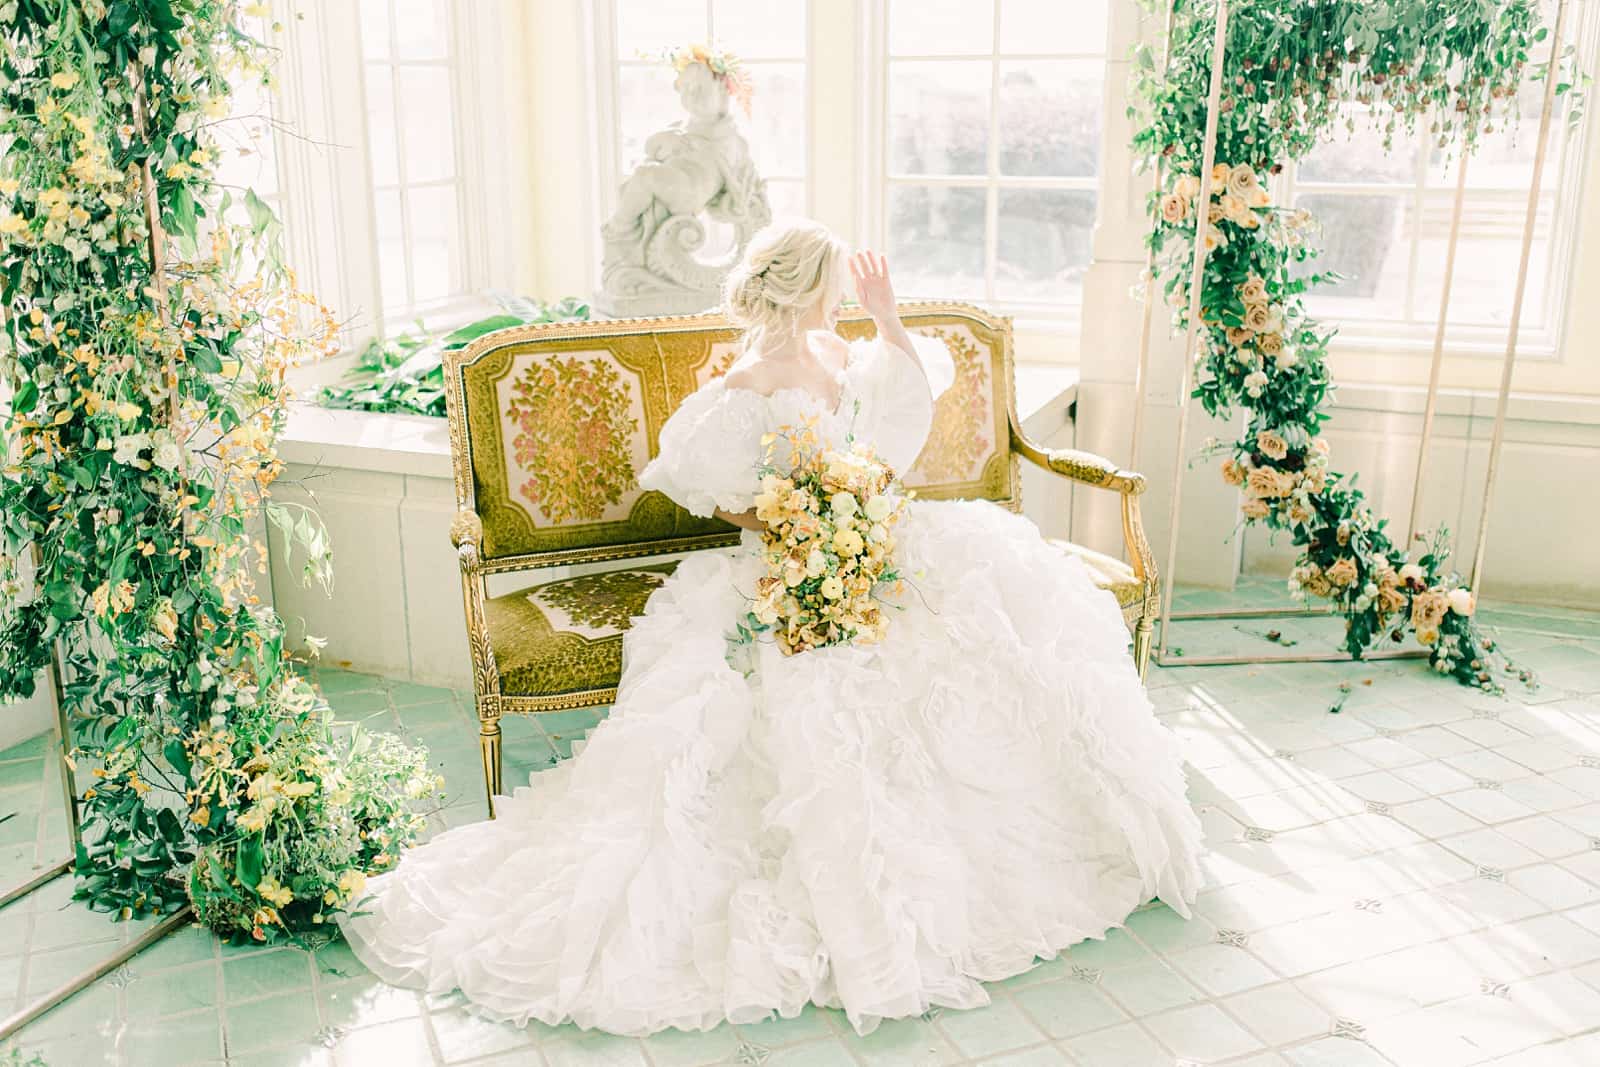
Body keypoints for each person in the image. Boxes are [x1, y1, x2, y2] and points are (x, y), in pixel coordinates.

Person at [339, 218, 1203, 1038]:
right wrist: (794, 519)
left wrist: (885, 335)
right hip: (791, 563)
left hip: (869, 541)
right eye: (833, 284)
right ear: (802, 289)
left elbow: (905, 410)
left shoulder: (839, 349)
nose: (842, 299)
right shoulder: (741, 389)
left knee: (986, 622)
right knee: (818, 699)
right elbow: (695, 483)